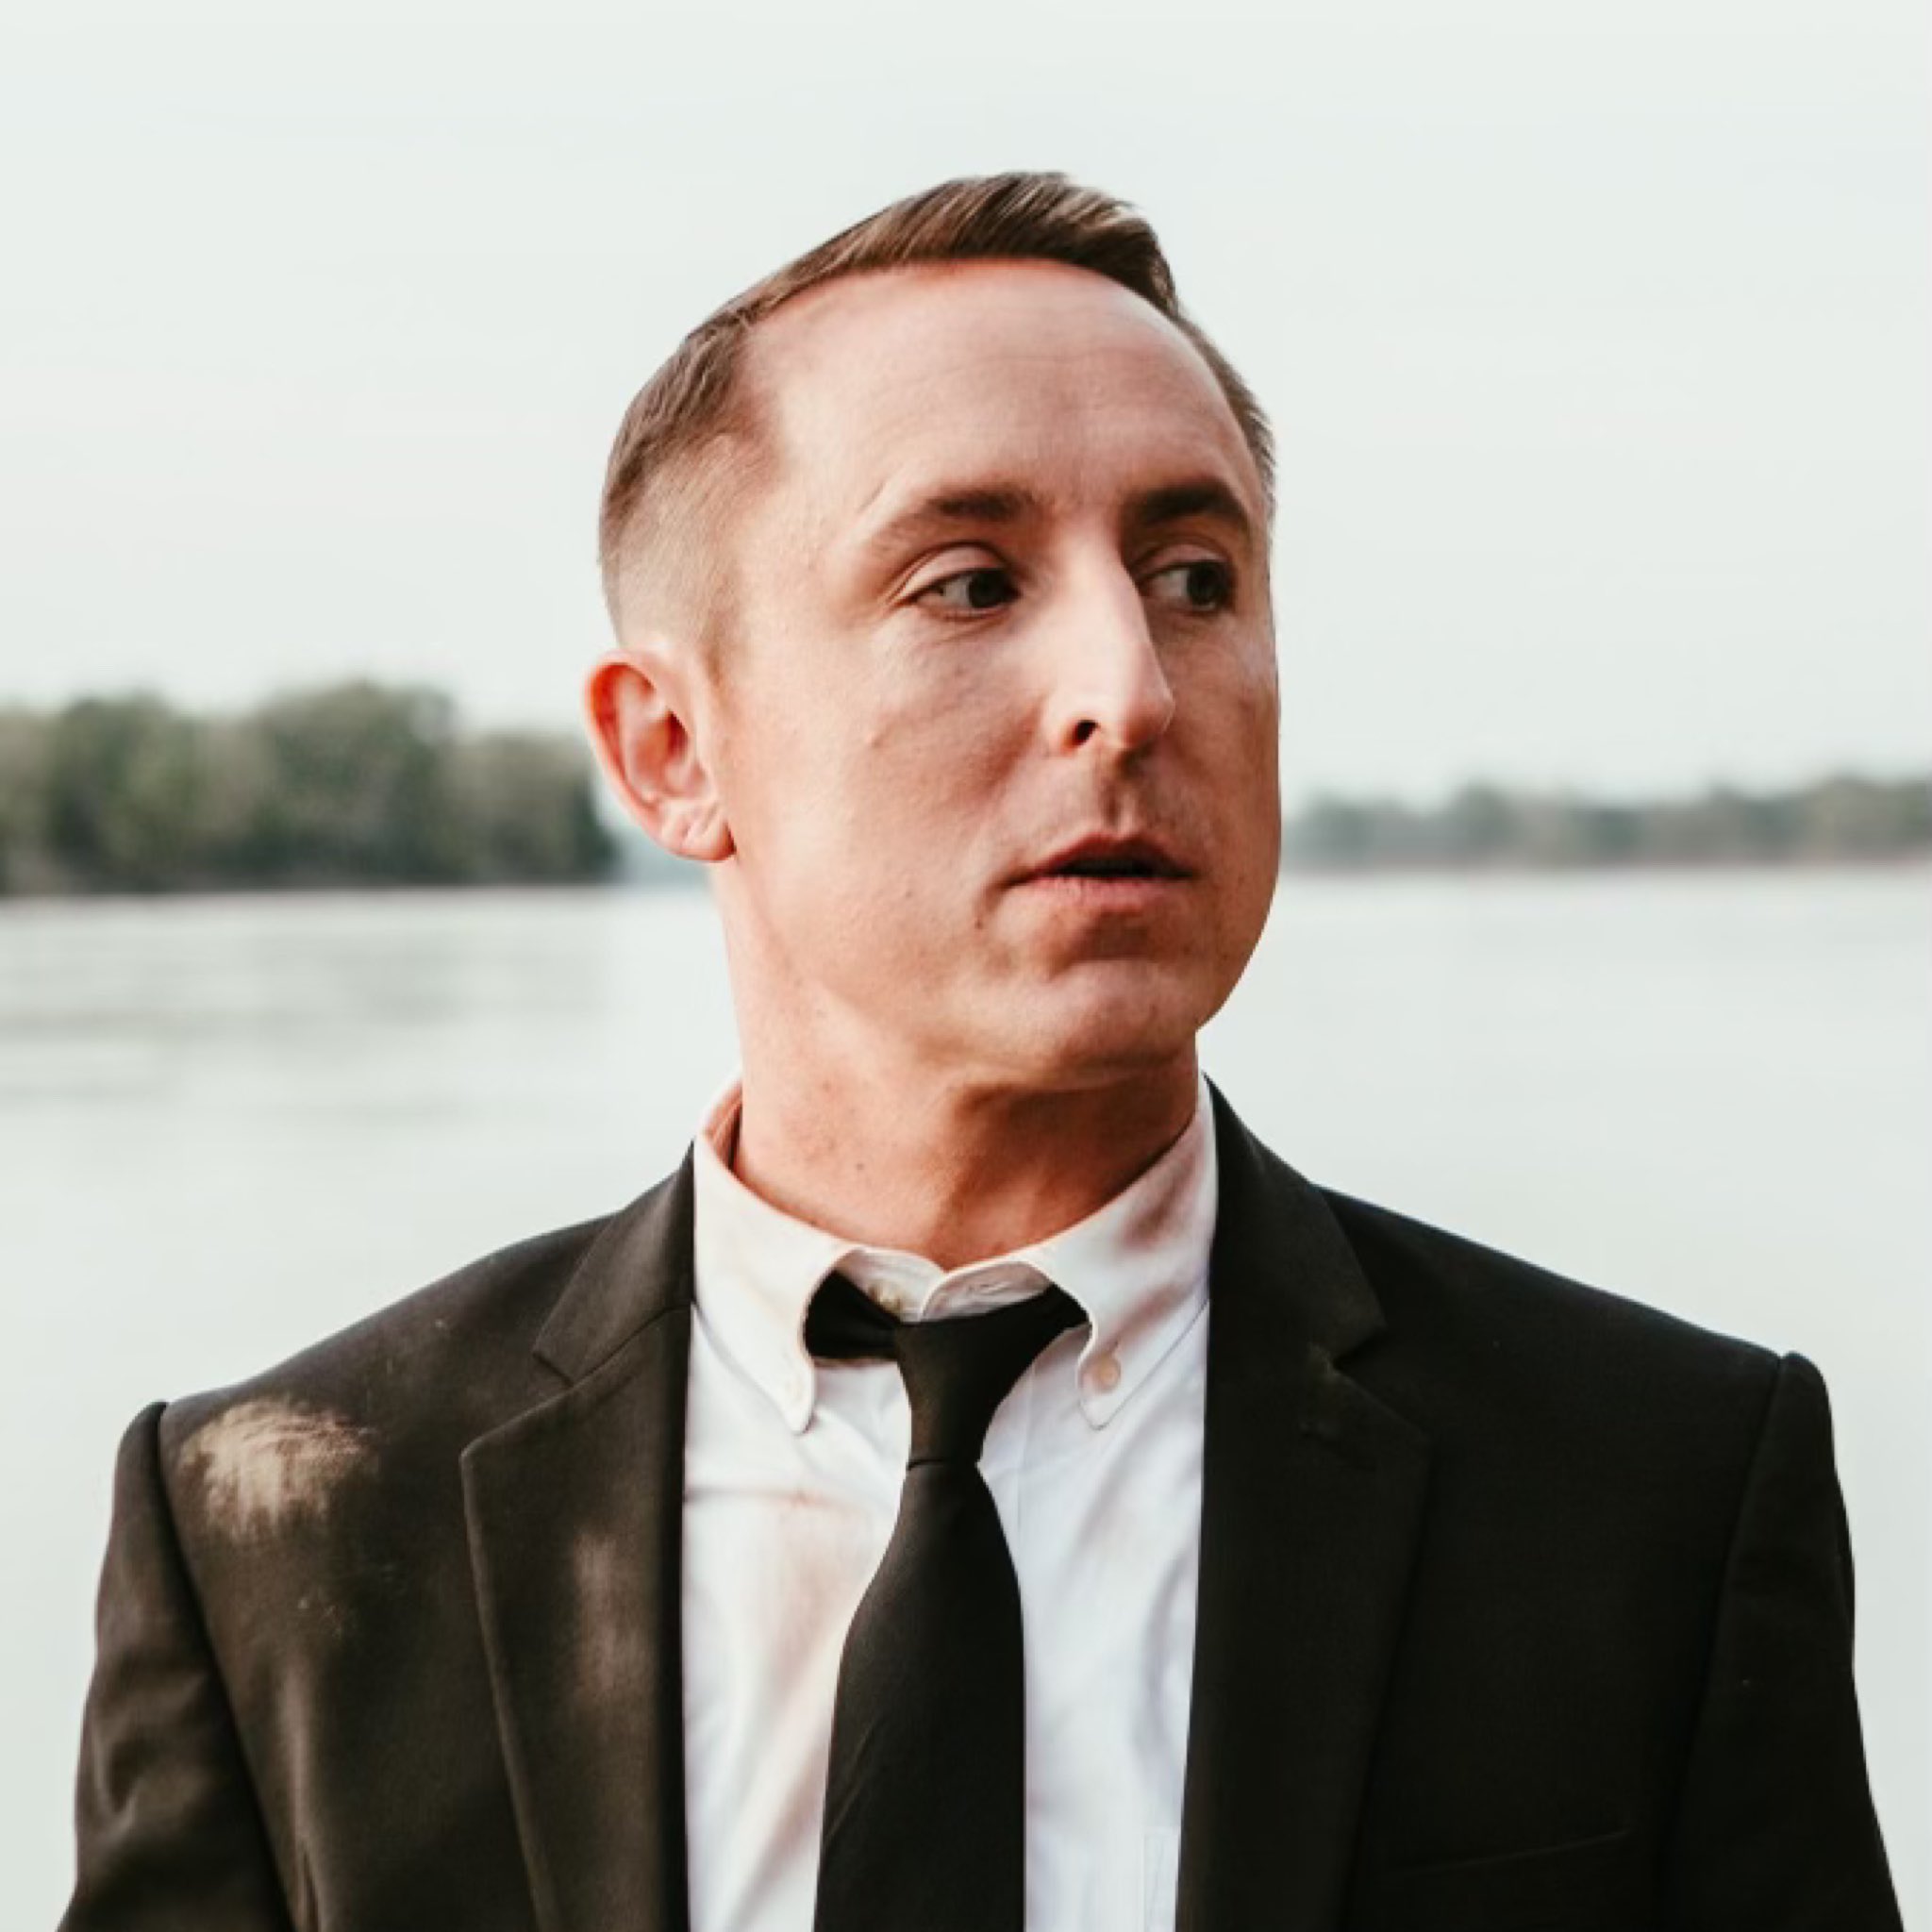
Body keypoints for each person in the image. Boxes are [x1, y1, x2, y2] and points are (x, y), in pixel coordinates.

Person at [60, 173, 1900, 1932]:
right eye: (968, 583)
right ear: (672, 752)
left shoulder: (1652, 1485)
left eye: (1196, 577)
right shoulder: (282, 1524)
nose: (1131, 687)